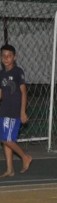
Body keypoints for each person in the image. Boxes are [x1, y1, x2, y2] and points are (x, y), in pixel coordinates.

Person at [0, 44, 32, 176]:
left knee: (6, 139)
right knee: (5, 140)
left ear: (14, 57)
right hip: (4, 110)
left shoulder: (18, 72)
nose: (6, 58)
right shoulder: (1, 74)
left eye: (9, 56)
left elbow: (24, 92)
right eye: (3, 56)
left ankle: (25, 157)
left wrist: (23, 111)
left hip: (14, 111)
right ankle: (10, 169)